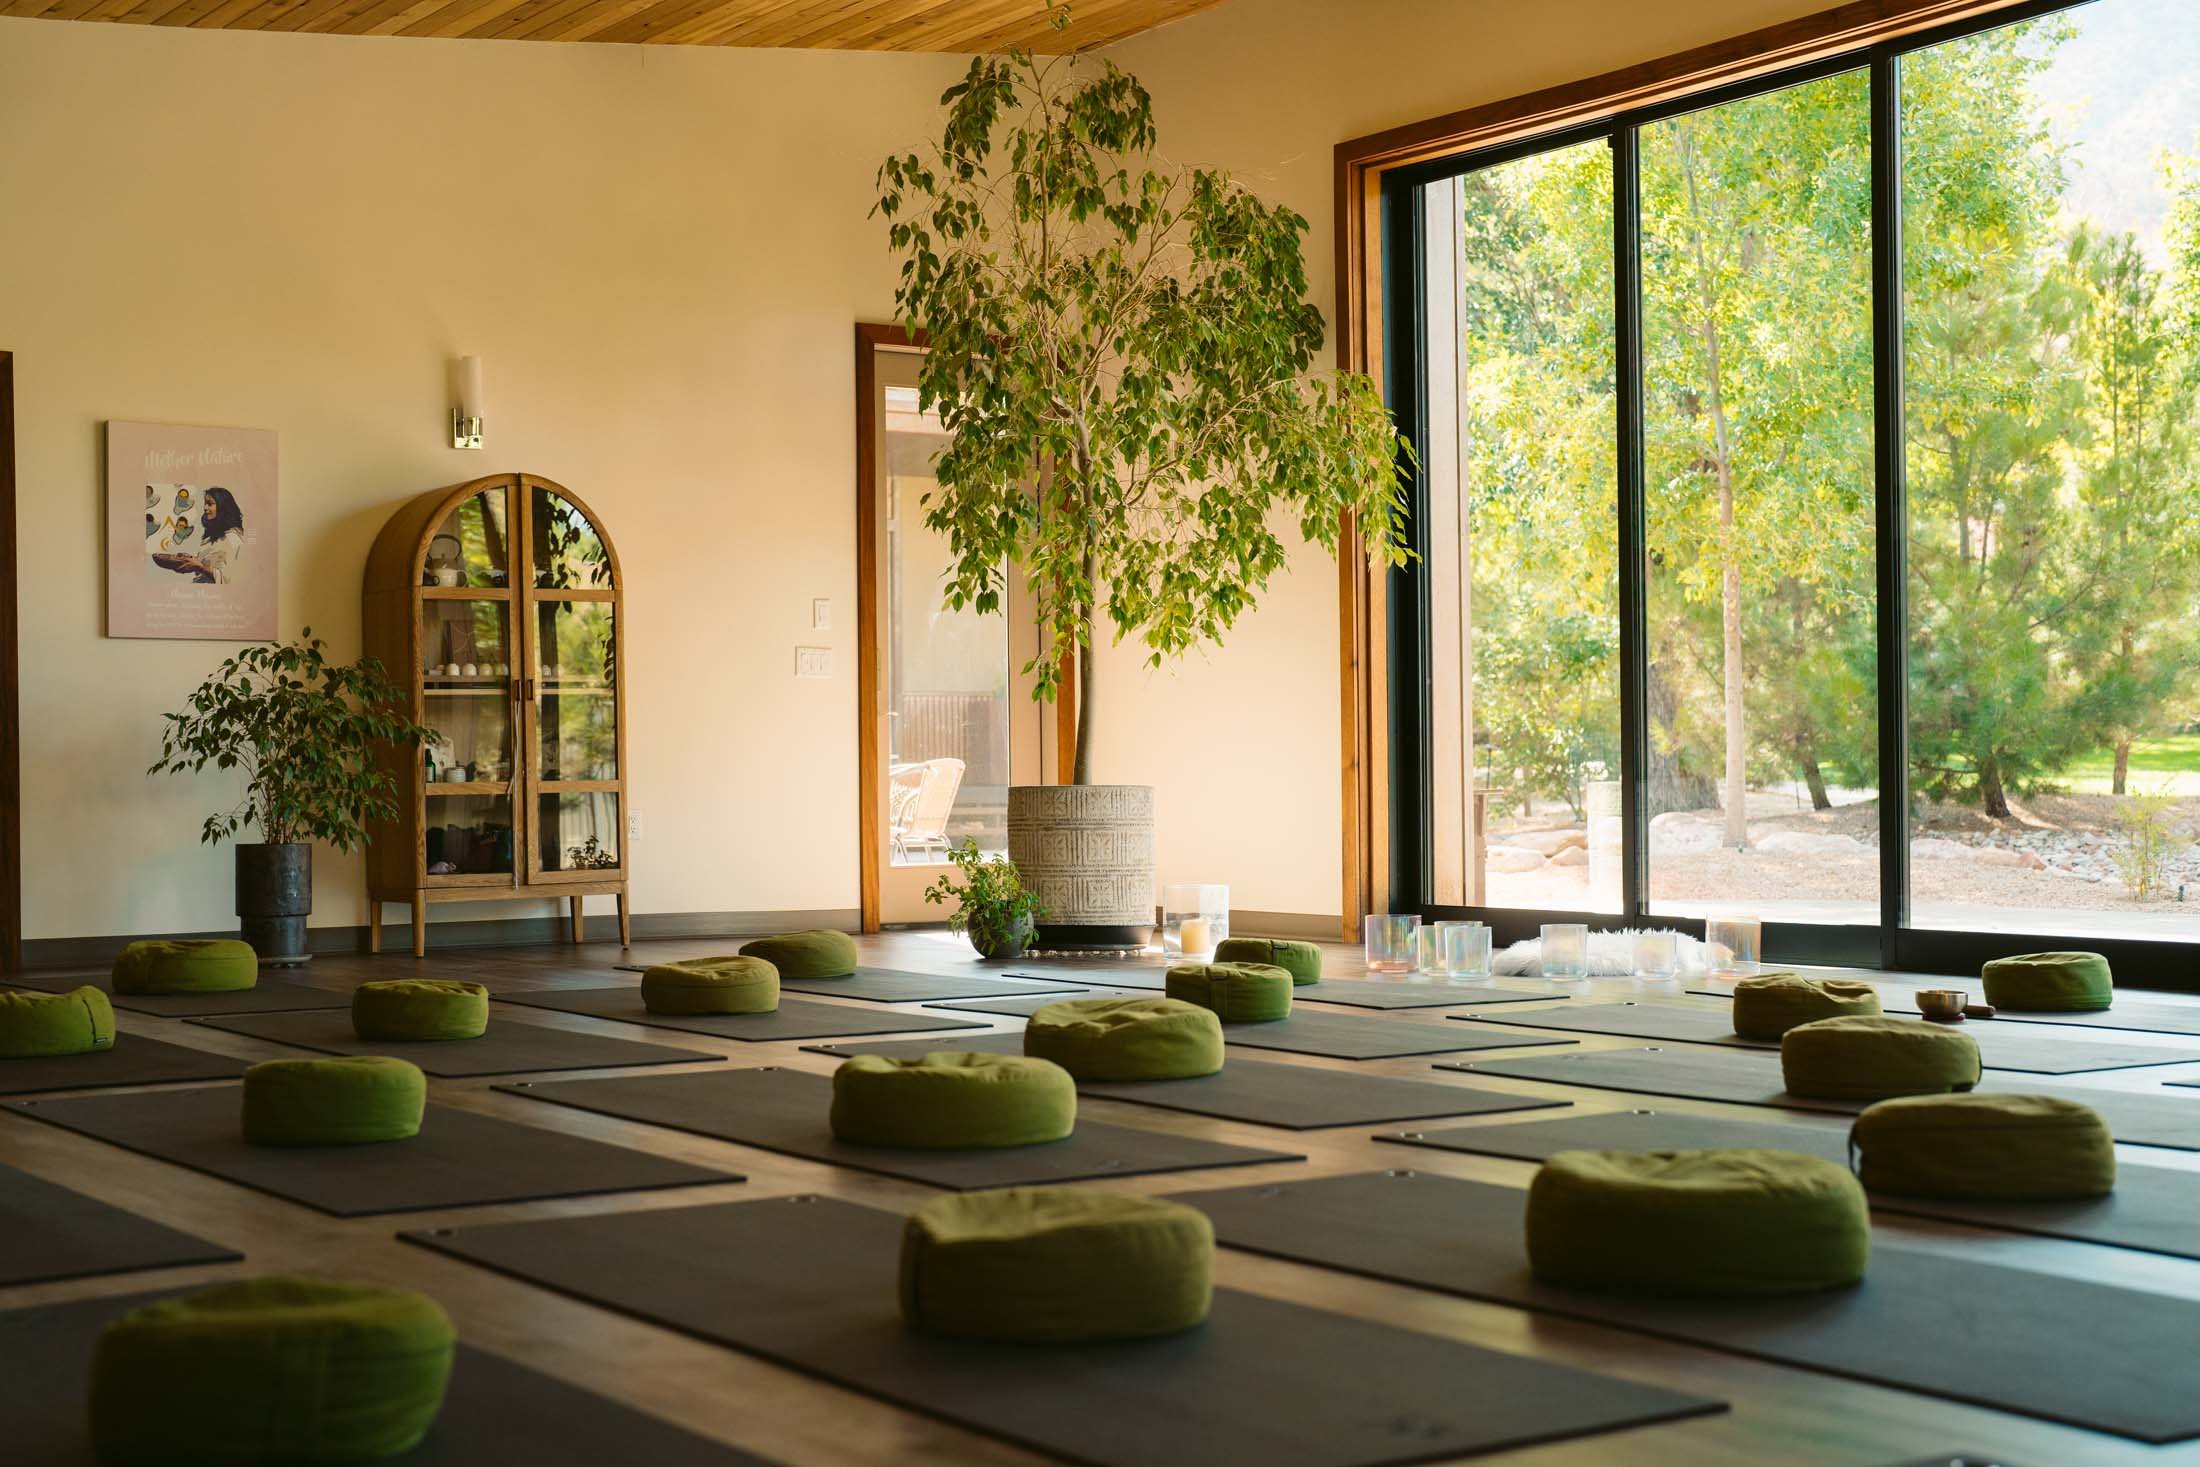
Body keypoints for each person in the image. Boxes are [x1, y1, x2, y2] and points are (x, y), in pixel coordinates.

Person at [151, 487, 246, 585]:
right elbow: (211, 561)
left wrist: (199, 566)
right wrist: (191, 559)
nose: (205, 508)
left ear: (223, 507)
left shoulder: (233, 538)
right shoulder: (212, 537)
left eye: (210, 504)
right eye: (205, 504)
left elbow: (231, 579)